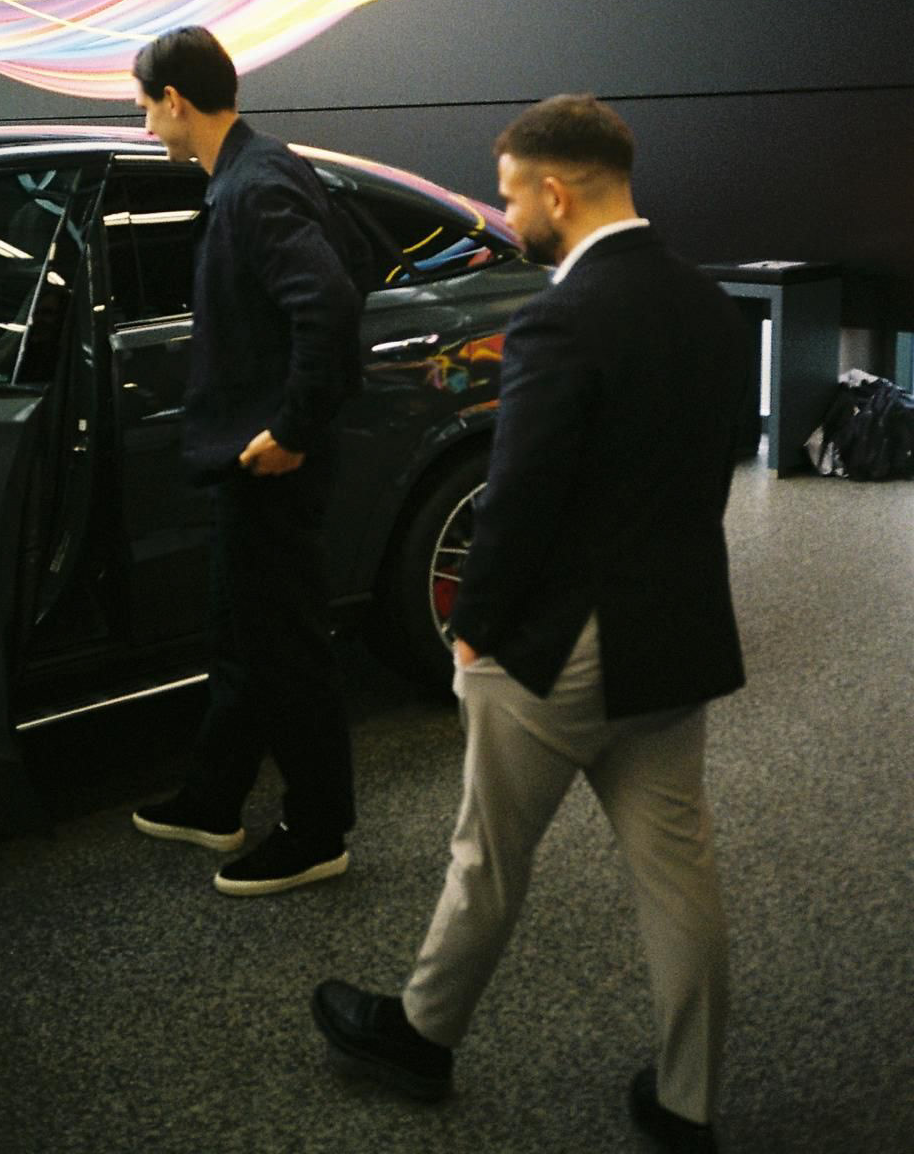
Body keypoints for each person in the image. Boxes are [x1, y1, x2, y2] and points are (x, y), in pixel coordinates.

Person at [311, 95, 748, 1152]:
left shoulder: (560, 316)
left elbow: (519, 495)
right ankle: (688, 1100)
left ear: (556, 191)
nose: (506, 217)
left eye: (510, 196)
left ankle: (421, 1037)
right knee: (679, 870)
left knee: (488, 855)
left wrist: (472, 630)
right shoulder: (710, 301)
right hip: (676, 626)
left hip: (561, 641)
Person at [130, 25, 362, 897]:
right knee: (241, 636)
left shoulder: (252, 187)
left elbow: (327, 302)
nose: (145, 125)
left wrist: (292, 428)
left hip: (272, 464)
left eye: (144, 108)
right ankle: (214, 798)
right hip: (251, 459)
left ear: (175, 100)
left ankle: (318, 830)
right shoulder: (260, 169)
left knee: (286, 650)